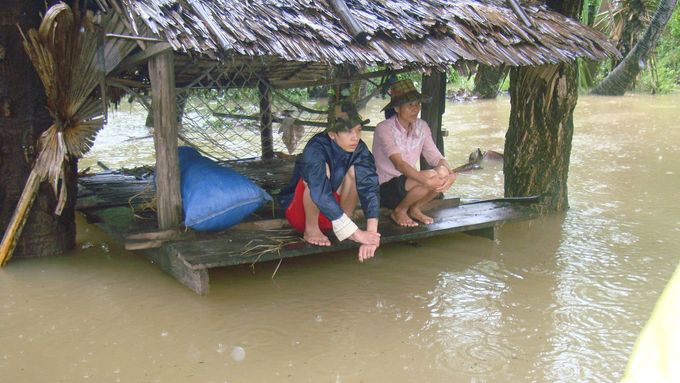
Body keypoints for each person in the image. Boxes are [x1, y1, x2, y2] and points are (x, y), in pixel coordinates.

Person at [277, 102, 381, 262]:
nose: (355, 137)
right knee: (316, 176)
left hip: (336, 219)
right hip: (301, 216)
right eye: (347, 131)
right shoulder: (316, 147)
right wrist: (358, 234)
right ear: (332, 134)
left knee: (356, 172)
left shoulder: (359, 148)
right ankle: (312, 230)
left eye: (358, 130)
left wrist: (371, 235)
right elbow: (319, 192)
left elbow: (370, 188)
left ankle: (345, 228)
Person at [372, 79, 457, 227]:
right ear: (397, 108)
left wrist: (450, 174)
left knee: (442, 172)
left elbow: (436, 157)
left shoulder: (422, 127)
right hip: (384, 188)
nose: (415, 109)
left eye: (417, 104)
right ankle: (400, 211)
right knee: (431, 176)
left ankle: (415, 208)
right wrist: (426, 181)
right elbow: (399, 164)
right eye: (409, 105)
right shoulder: (384, 128)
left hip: (410, 187)